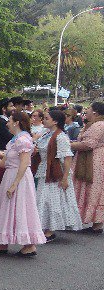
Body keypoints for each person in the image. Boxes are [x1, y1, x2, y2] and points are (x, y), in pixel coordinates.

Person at [0, 111, 45, 257]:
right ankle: (3, 242)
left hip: (19, 178)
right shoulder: (14, 140)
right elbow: (3, 163)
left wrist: (15, 184)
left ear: (16, 122)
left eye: (9, 120)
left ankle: (29, 245)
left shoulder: (23, 140)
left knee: (21, 208)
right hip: (10, 175)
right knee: (8, 208)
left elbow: (24, 163)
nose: (7, 123)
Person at [34, 109, 82, 241]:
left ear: (55, 121)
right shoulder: (46, 134)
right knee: (43, 199)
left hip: (55, 172)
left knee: (51, 200)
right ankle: (45, 227)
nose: (43, 120)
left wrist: (65, 177)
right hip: (45, 169)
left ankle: (50, 230)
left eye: (47, 118)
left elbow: (67, 158)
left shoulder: (60, 136)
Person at [71, 101, 104, 233]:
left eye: (89, 108)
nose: (87, 110)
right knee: (92, 189)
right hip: (92, 159)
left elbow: (88, 144)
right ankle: (95, 223)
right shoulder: (94, 124)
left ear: (95, 112)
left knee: (92, 189)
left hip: (94, 161)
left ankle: (96, 223)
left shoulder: (99, 125)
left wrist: (68, 144)